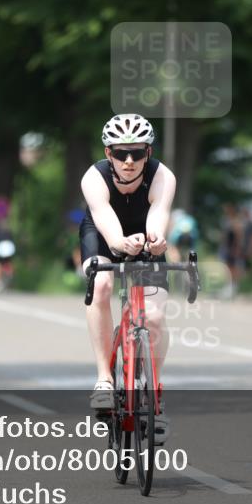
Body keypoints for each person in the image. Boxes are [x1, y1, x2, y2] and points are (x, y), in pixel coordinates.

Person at [80, 113, 175, 441]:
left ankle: (154, 395)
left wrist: (155, 239)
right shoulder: (94, 177)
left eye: (136, 152)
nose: (129, 161)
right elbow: (105, 219)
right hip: (102, 233)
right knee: (101, 284)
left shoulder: (163, 175)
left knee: (155, 316)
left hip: (145, 234)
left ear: (148, 152)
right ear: (109, 153)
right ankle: (104, 380)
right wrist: (120, 244)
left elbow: (158, 214)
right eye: (121, 153)